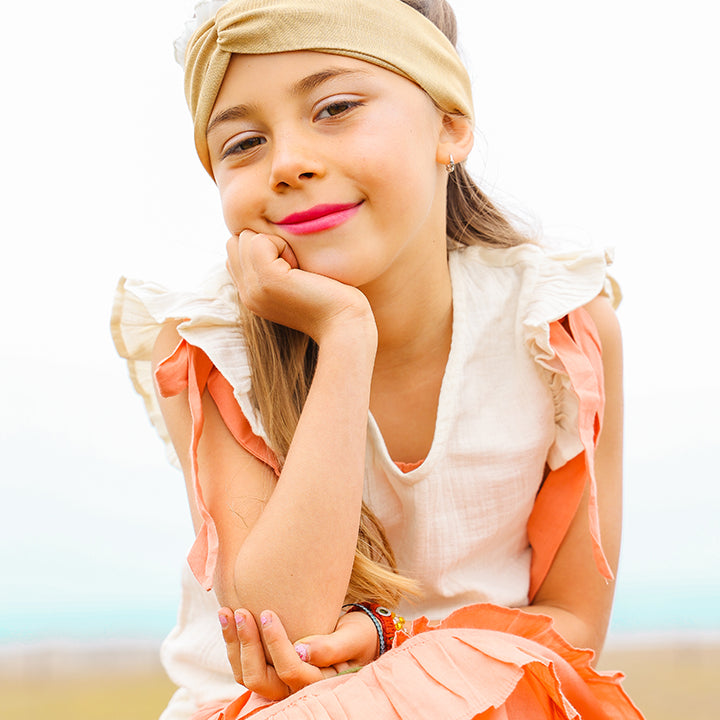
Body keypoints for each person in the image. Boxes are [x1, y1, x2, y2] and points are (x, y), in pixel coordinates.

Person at [111, 0, 644, 718]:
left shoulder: (554, 324)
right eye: (243, 143)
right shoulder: (210, 346)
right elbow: (287, 628)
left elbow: (575, 624)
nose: (291, 163)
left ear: (450, 125)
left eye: (334, 108)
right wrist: (344, 335)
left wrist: (398, 638)